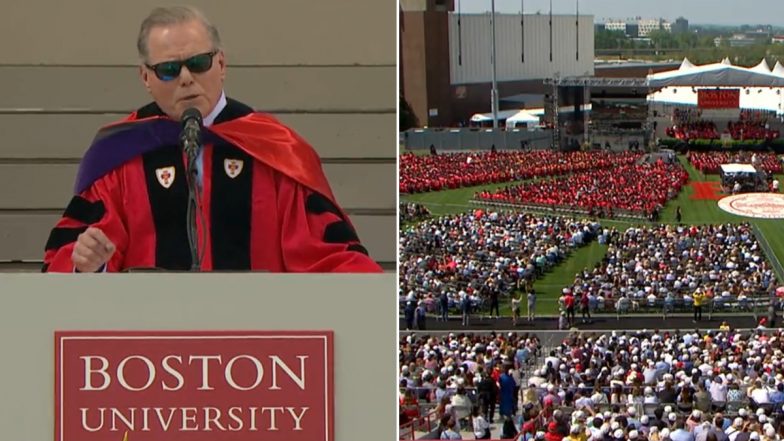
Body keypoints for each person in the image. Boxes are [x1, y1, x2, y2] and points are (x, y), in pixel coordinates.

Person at [42, 5, 381, 273]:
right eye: (169, 70)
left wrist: (376, 300)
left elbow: (327, 255)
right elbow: (76, 258)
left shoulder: (276, 150)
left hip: (263, 348)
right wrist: (88, 264)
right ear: (145, 77)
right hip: (151, 347)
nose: (187, 79)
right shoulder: (119, 155)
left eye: (199, 63)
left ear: (221, 63)